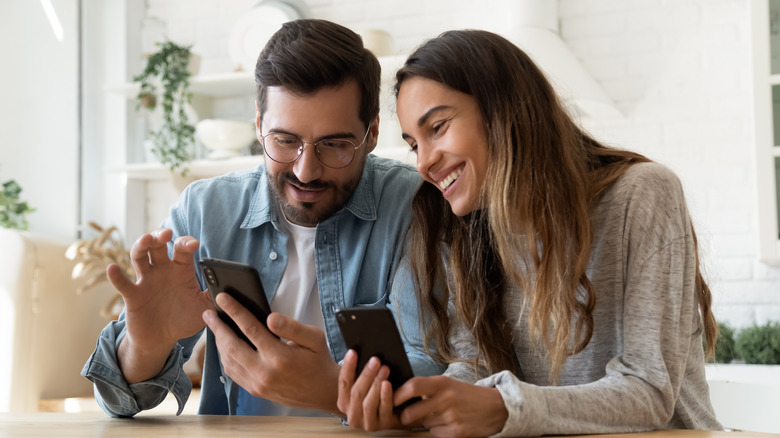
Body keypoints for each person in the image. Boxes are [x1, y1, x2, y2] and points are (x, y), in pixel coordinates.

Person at [337, 29, 723, 436]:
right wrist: (424, 402)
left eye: (438, 127)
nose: (424, 163)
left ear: (502, 110)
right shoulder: (469, 229)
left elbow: (649, 391)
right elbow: (475, 363)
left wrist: (505, 407)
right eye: (414, 144)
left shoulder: (642, 195)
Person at [81, 19, 443, 418]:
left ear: (372, 133)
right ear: (258, 126)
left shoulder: (416, 207)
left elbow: (435, 372)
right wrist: (145, 346)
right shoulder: (203, 211)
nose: (306, 171)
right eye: (285, 141)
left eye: (334, 145)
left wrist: (332, 388)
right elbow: (119, 401)